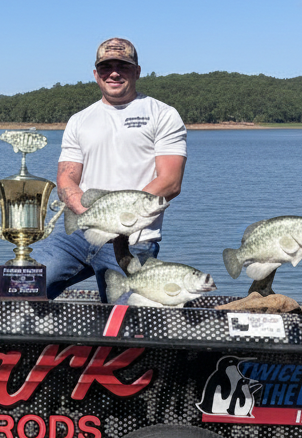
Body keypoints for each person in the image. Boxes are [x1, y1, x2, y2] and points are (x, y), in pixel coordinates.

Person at [31, 37, 187, 300]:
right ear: (96, 74)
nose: (114, 73)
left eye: (123, 66)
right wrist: (88, 214)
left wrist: (117, 220)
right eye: (106, 67)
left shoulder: (163, 114)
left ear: (137, 71)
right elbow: (66, 179)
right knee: (22, 286)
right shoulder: (79, 120)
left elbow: (170, 182)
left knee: (125, 321)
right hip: (79, 235)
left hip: (133, 240)